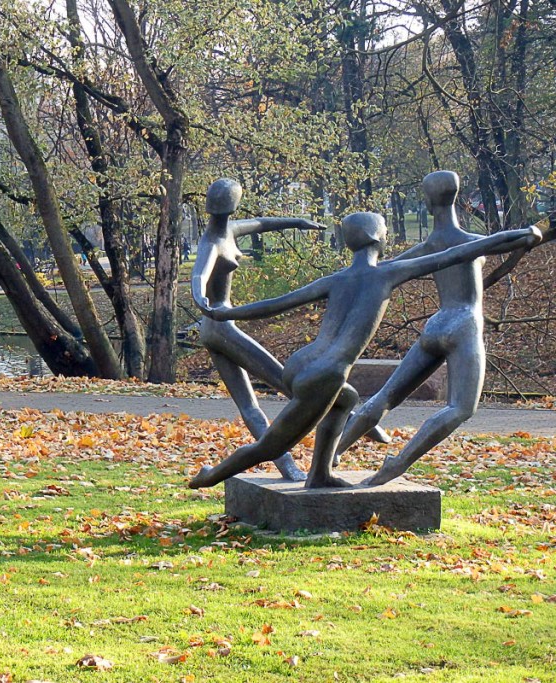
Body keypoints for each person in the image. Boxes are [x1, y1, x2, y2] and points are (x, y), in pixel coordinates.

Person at [189, 212, 540, 489]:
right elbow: (462, 252)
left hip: (301, 363)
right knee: (271, 447)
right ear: (376, 238)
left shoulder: (336, 279)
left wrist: (226, 312)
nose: (388, 234)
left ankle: (320, 474)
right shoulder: (387, 274)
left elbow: (276, 304)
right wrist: (523, 234)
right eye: (386, 229)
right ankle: (211, 474)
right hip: (325, 374)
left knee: (347, 399)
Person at [334, 171, 541, 485]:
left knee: (385, 396)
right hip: (464, 325)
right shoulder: (472, 242)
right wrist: (533, 233)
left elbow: (387, 270)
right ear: (457, 198)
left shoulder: (429, 246)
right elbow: (509, 239)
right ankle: (398, 463)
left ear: (429, 203)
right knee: (460, 408)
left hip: (436, 324)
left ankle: (333, 452)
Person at [192, 179, 325, 480]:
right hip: (220, 325)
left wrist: (298, 222)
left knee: (251, 404)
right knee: (288, 383)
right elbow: (199, 272)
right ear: (233, 203)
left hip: (215, 326)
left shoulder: (230, 230)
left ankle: (288, 468)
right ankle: (343, 421)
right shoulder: (212, 243)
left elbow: (262, 223)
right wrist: (200, 298)